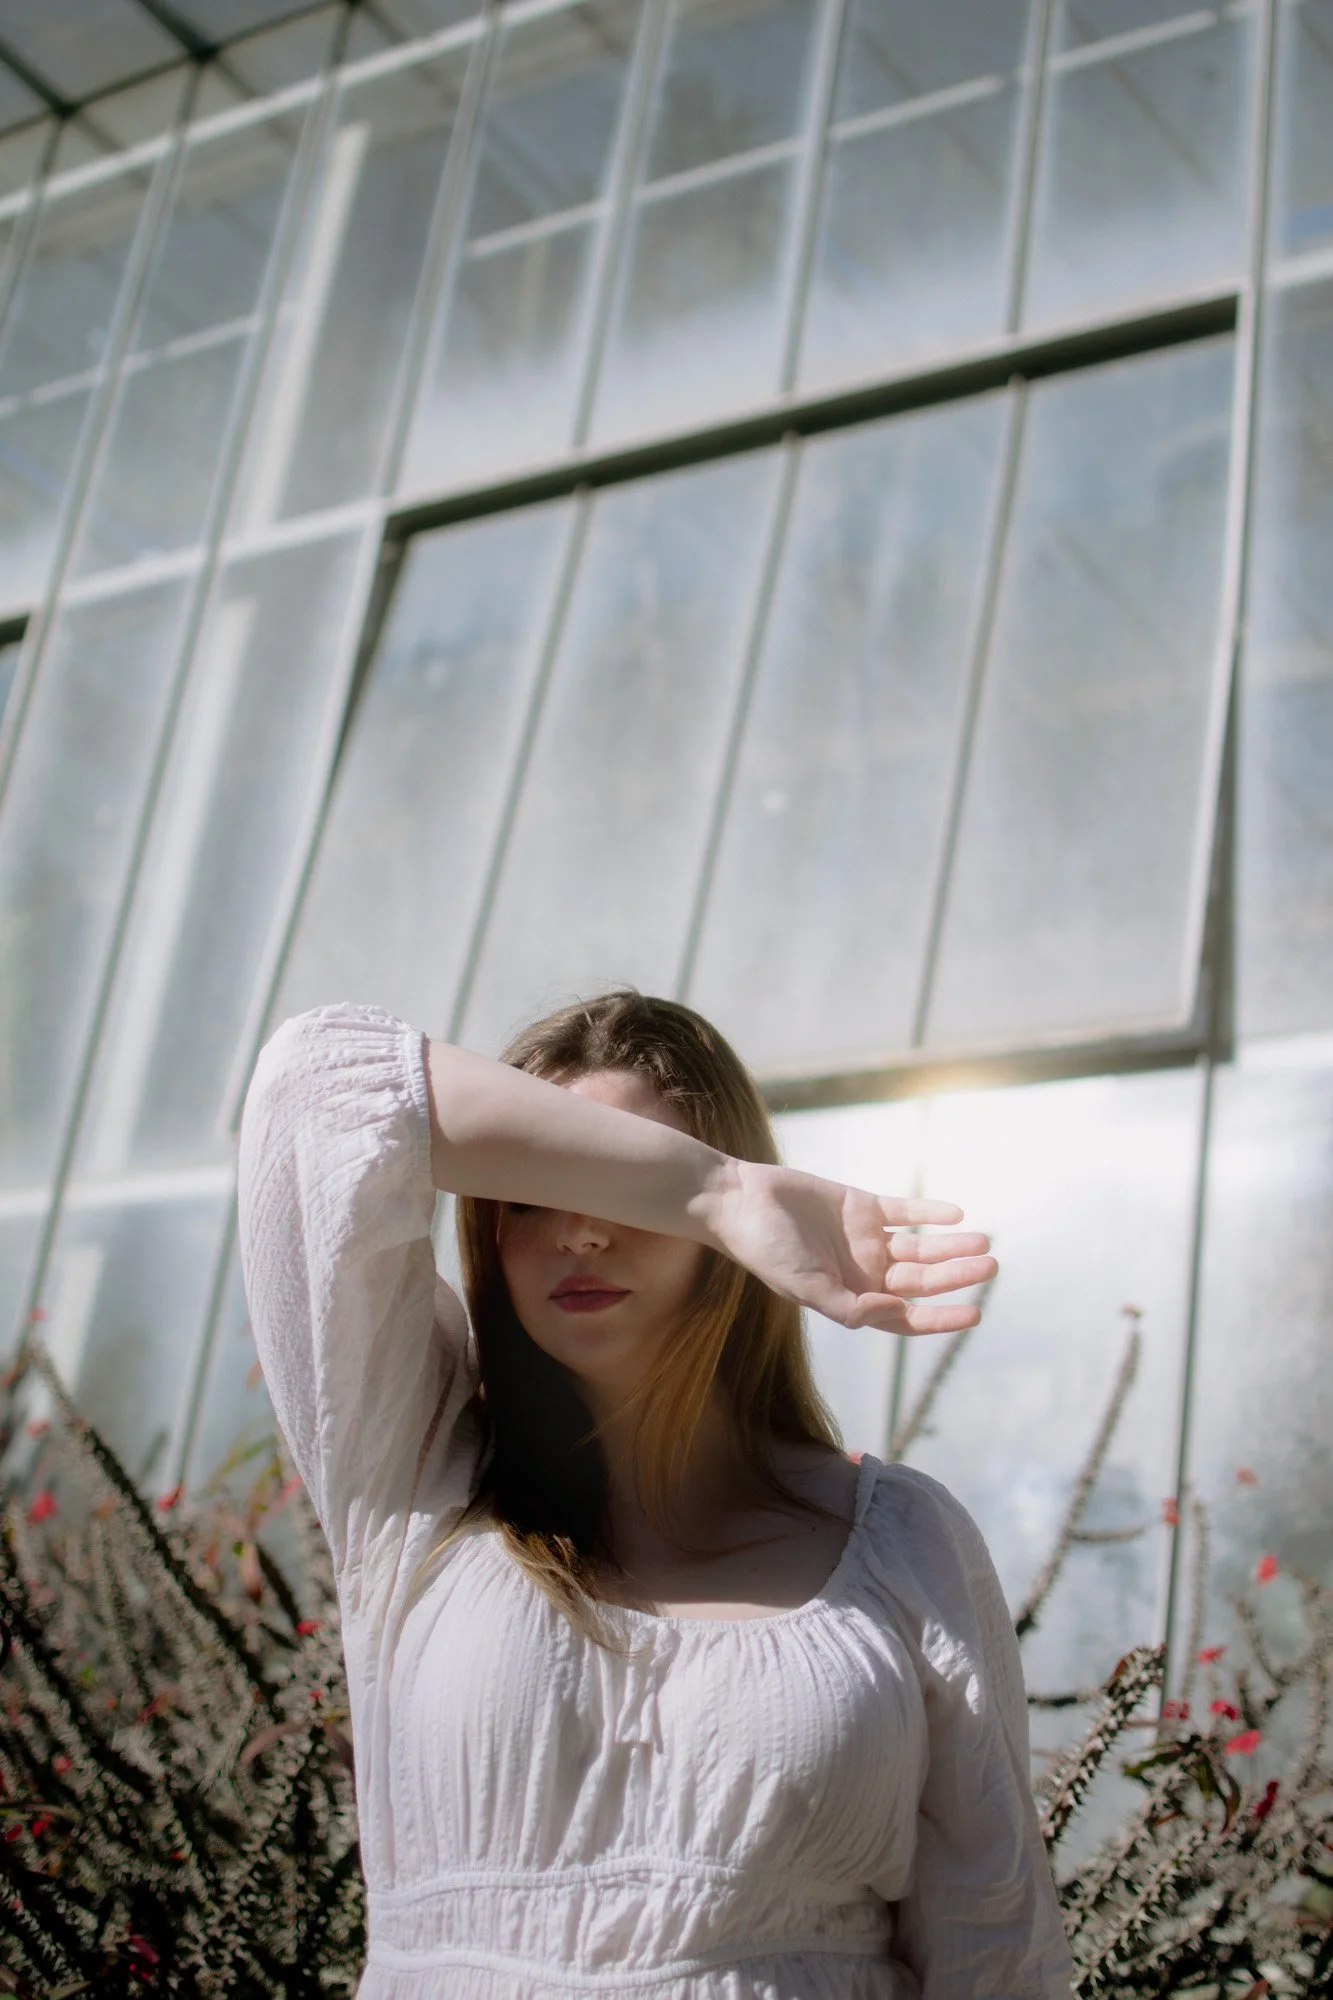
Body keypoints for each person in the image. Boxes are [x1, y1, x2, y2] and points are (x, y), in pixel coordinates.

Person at [238, 992, 1073, 1999]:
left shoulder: (899, 1540)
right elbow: (310, 1088)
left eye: (624, 1190)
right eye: (532, 1192)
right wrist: (710, 1189)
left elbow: (996, 1951)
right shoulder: (419, 1474)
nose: (580, 1233)